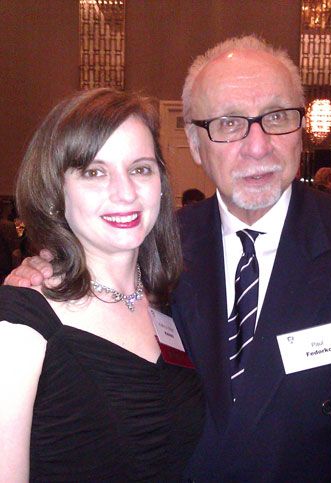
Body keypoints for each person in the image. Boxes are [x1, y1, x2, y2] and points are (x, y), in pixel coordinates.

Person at [6, 36, 331, 482]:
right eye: (229, 123)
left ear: (300, 129)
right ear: (194, 144)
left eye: (277, 117)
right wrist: (47, 268)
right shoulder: (158, 245)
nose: (257, 145)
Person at [0, 88, 204, 481]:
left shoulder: (170, 299)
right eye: (94, 172)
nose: (125, 192)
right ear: (55, 191)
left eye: (140, 168)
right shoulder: (21, 326)